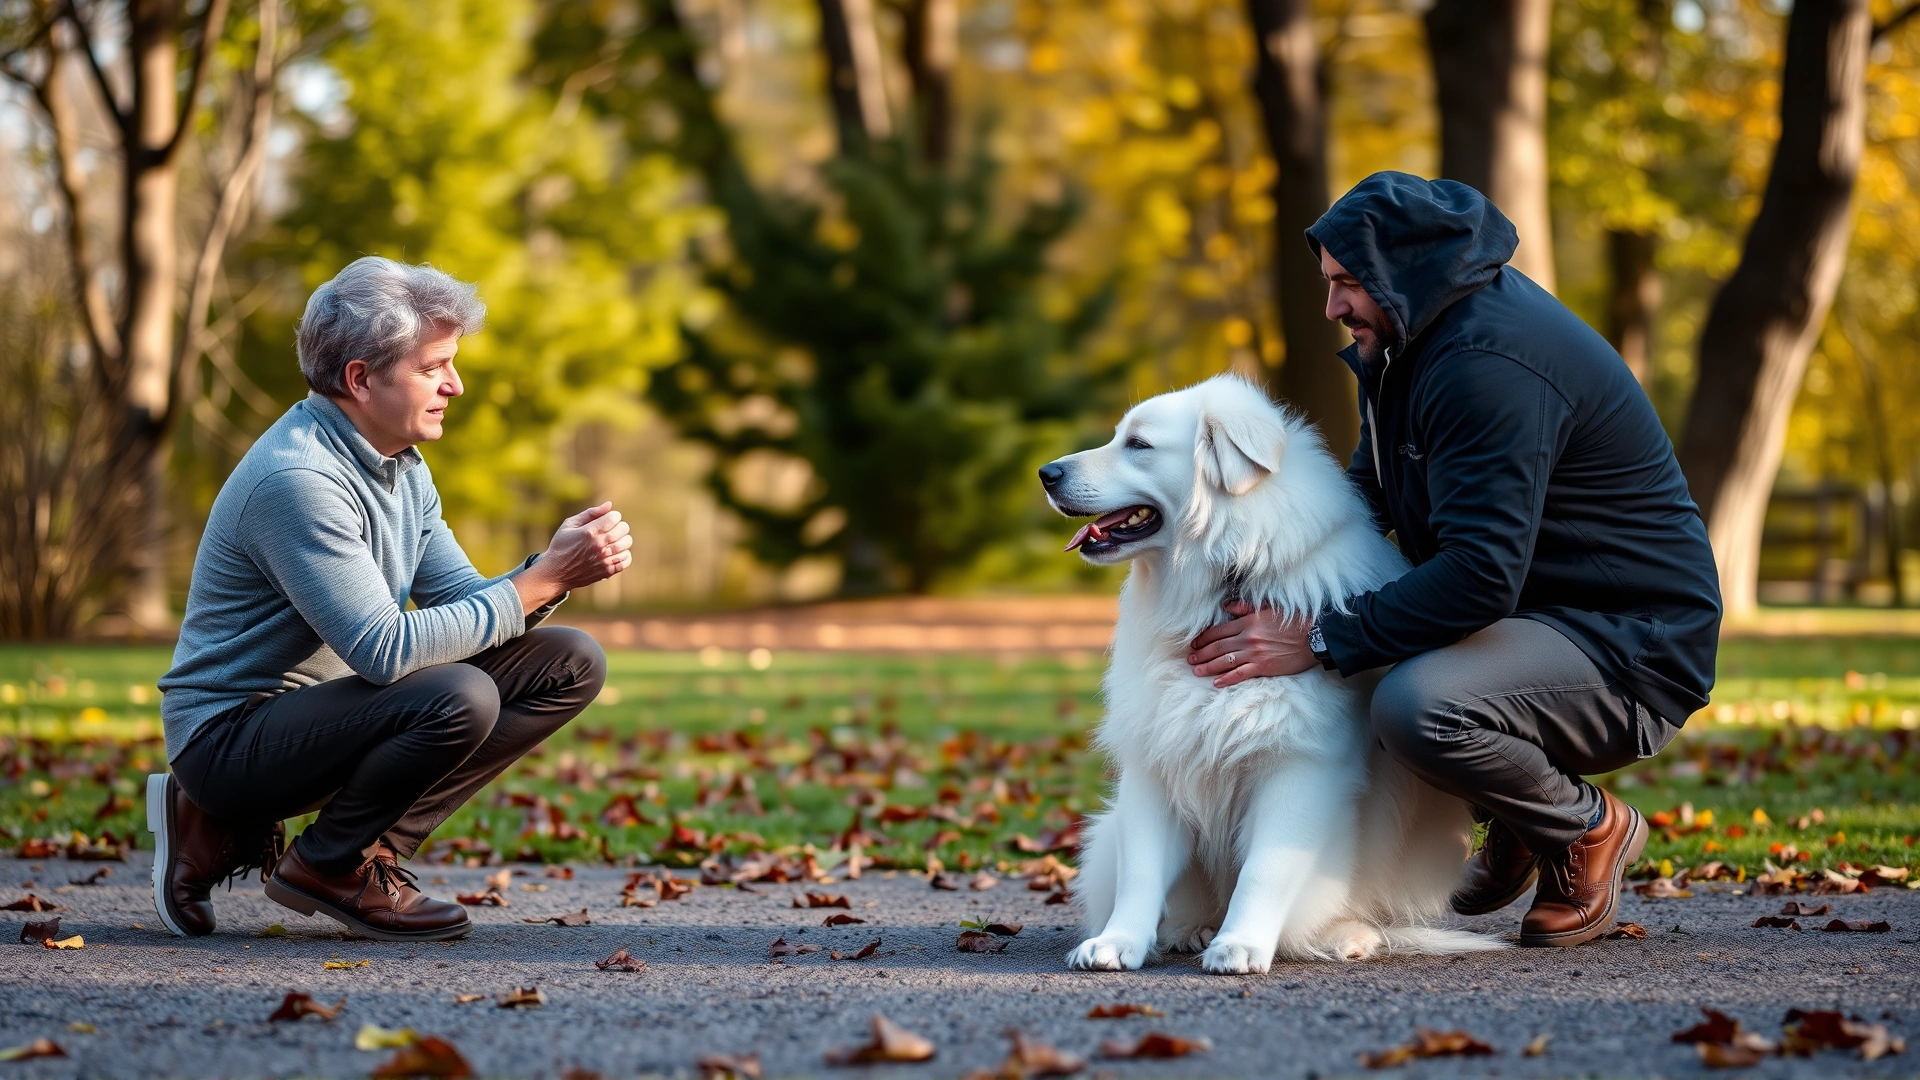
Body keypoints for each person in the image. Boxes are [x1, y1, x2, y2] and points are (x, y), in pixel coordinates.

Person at [1185, 172, 1721, 947]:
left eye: (1346, 284)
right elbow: (1365, 500)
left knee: (1417, 703)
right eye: (1327, 283)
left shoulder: (1486, 365)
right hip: (1533, 617)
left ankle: (1580, 828)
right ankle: (1521, 813)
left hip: (1630, 643)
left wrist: (1318, 636)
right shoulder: (1413, 338)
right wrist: (1273, 577)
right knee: (1365, 662)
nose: (1332, 307)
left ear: (1405, 272)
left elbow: (1479, 573)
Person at [152, 257, 630, 941]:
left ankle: (367, 850)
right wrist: (547, 577)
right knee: (458, 694)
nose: (454, 385)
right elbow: (383, 651)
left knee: (569, 660)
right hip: (230, 741)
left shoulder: (399, 465)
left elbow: (468, 603)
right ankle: (323, 861)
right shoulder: (298, 479)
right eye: (433, 367)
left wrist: (550, 573)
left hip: (328, 723)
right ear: (359, 378)